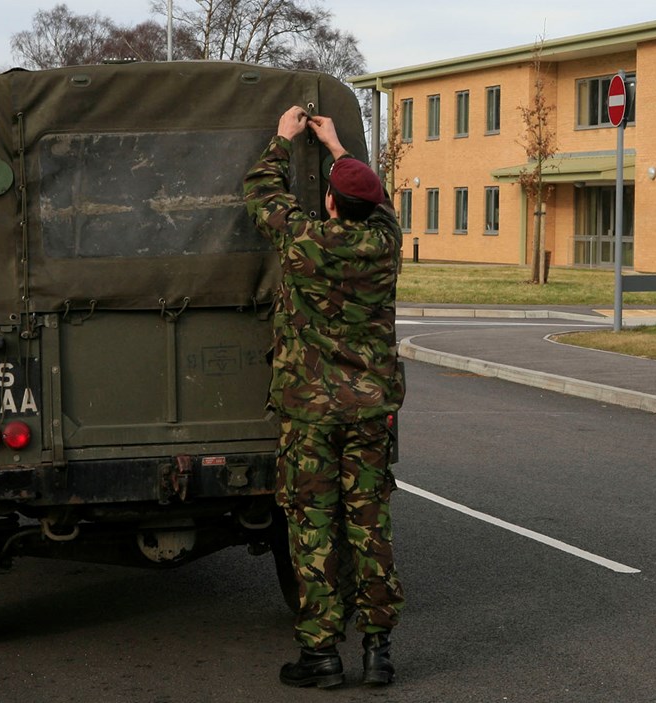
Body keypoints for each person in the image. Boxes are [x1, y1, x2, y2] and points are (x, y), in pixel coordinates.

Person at [244, 106, 406, 689]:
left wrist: (283, 139)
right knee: (370, 523)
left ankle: (322, 656)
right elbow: (379, 205)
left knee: (313, 526)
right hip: (370, 411)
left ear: (331, 203)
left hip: (309, 413)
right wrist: (339, 147)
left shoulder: (304, 239)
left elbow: (263, 194)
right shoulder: (386, 244)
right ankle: (378, 650)